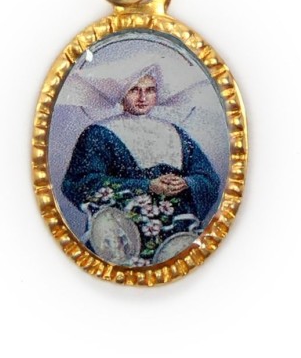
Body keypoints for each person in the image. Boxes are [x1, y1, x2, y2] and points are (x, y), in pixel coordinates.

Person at [61, 73, 220, 261]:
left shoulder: (175, 133)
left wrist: (187, 183)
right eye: (134, 90)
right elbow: (80, 182)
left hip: (175, 235)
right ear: (121, 94)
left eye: (150, 90)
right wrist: (146, 186)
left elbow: (208, 178)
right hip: (122, 236)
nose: (143, 98)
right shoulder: (99, 134)